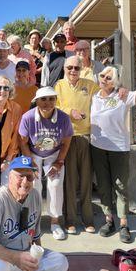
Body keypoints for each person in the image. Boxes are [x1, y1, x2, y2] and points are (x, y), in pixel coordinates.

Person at [90, 54, 136, 243]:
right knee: (104, 186)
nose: (104, 79)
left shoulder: (123, 95)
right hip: (97, 147)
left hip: (119, 149)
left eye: (109, 78)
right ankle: (108, 220)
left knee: (120, 186)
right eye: (102, 76)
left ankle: (123, 223)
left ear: (115, 82)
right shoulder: (93, 96)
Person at [0, 155, 69, 271]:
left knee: (59, 262)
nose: (25, 181)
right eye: (20, 176)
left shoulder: (35, 195)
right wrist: (15, 257)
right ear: (10, 177)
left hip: (22, 256)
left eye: (29, 177)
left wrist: (36, 256)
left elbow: (35, 235)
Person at [19, 87, 73, 240]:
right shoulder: (27, 117)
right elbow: (23, 143)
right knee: (33, 184)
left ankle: (55, 222)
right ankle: (33, 221)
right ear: (36, 101)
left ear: (56, 100)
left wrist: (59, 162)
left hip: (54, 154)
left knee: (55, 184)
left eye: (51, 99)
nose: (47, 103)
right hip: (33, 154)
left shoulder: (63, 118)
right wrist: (30, 163)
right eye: (43, 99)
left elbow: (66, 143)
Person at [54, 56, 99, 234]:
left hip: (87, 137)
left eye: (76, 68)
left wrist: (120, 91)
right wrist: (69, 112)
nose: (73, 71)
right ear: (64, 68)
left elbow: (104, 96)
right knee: (70, 181)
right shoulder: (58, 86)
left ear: (82, 69)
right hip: (67, 138)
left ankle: (88, 220)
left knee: (87, 180)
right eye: (69, 67)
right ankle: (70, 220)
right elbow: (53, 108)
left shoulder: (90, 85)